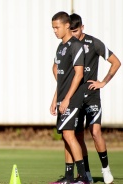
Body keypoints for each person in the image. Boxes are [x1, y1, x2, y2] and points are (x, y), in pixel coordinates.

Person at [68, 13, 121, 184]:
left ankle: (106, 170)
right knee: (78, 136)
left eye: (75, 30)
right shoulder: (67, 46)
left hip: (91, 96)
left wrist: (103, 82)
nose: (73, 34)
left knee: (96, 132)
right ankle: (87, 174)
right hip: (75, 96)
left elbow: (116, 62)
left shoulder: (94, 43)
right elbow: (57, 68)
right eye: (70, 30)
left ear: (82, 28)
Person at [49, 11, 89, 184]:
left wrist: (66, 99)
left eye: (57, 27)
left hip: (73, 99)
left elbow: (79, 75)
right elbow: (62, 77)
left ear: (67, 26)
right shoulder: (61, 47)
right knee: (66, 136)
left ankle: (83, 178)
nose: (55, 31)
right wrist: (55, 99)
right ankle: (68, 178)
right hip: (63, 98)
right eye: (53, 28)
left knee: (69, 135)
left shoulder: (76, 46)